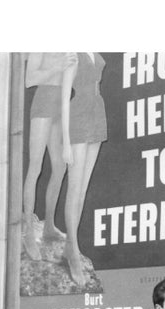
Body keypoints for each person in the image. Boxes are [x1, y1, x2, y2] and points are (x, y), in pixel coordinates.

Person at [22, 52, 78, 260]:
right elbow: (29, 80)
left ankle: (49, 226)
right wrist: (58, 67)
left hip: (63, 103)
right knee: (35, 167)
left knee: (60, 167)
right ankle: (29, 231)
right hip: (44, 101)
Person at [61, 52, 107, 286]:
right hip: (78, 115)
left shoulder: (96, 52)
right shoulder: (72, 53)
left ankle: (71, 246)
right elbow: (64, 97)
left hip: (97, 112)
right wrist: (66, 142)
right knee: (74, 188)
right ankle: (73, 250)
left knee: (83, 190)